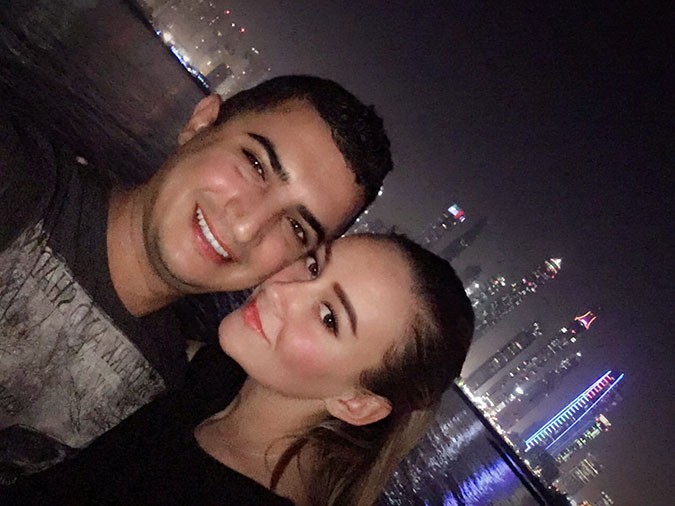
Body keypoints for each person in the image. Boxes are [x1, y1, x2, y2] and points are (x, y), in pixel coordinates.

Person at [0, 75, 393, 479]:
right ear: (201, 122)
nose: (246, 227)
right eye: (255, 164)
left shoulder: (165, 401)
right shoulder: (17, 178)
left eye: (296, 227)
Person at [3, 232, 475, 505]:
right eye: (313, 267)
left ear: (357, 403)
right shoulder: (221, 377)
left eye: (329, 317)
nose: (281, 290)